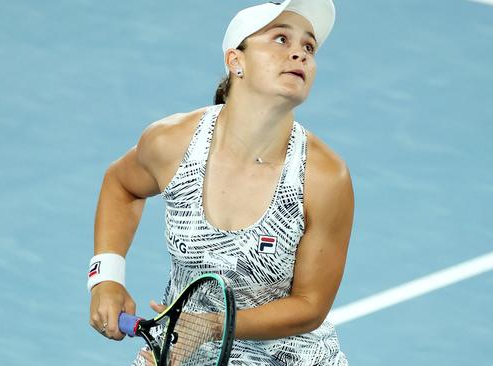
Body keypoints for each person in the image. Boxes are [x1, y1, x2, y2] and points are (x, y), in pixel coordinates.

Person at [87, 0, 354, 364]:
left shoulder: (323, 177)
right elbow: (121, 184)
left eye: (308, 47)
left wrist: (213, 325)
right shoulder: (174, 143)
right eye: (280, 40)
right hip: (181, 354)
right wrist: (106, 277)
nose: (299, 54)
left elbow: (311, 305)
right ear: (236, 61)